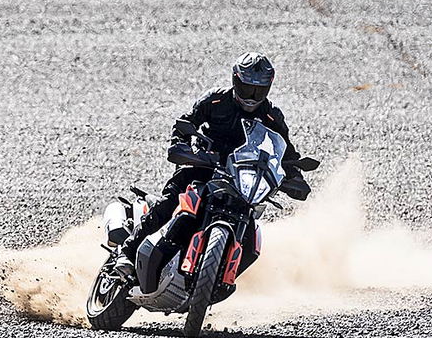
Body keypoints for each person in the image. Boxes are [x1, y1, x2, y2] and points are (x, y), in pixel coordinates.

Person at [111, 52, 310, 280]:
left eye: (258, 91)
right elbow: (186, 122)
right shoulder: (215, 100)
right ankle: (127, 253)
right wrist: (181, 145)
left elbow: (286, 152)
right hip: (204, 165)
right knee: (171, 200)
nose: (252, 96)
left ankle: (219, 279)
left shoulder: (271, 116)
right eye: (247, 89)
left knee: (250, 227)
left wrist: (294, 176)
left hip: (241, 176)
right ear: (235, 81)